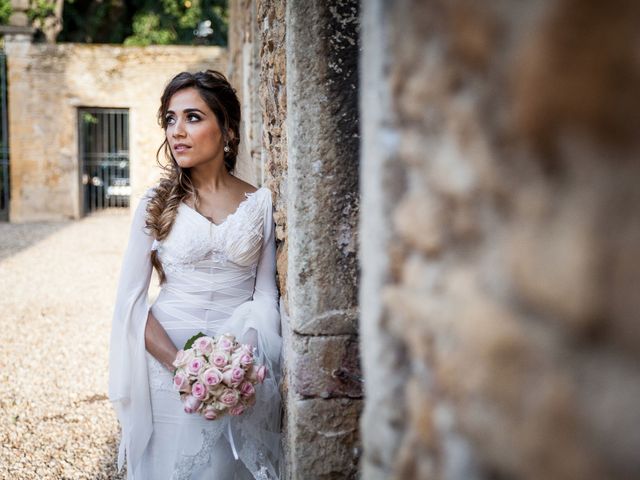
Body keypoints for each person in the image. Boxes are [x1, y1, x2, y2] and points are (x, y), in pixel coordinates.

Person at [108, 69, 283, 479]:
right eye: (170, 119)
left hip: (237, 370)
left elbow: (264, 296)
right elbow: (131, 303)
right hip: (165, 364)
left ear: (228, 130)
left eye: (193, 117)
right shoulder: (156, 203)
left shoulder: (261, 204)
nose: (177, 132)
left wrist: (242, 364)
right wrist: (182, 365)